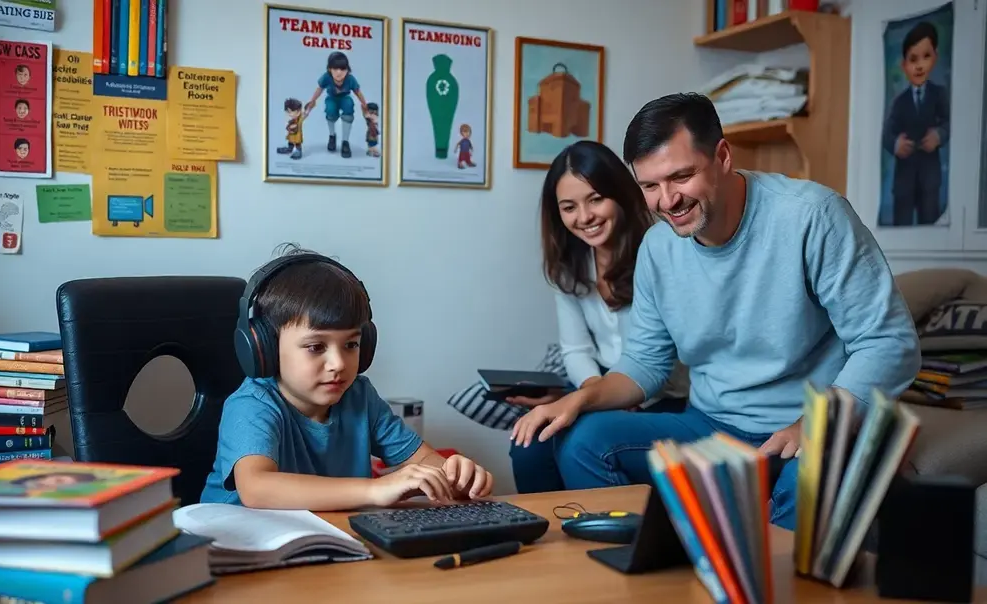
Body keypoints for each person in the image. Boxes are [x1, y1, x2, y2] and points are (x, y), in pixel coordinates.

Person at [511, 93, 920, 530]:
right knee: (583, 441)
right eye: (650, 186)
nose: (667, 201)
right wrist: (579, 399)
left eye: (681, 176)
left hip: (809, 429)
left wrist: (815, 424)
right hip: (710, 426)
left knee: (802, 497)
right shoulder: (658, 248)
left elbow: (889, 342)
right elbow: (645, 365)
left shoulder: (812, 217)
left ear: (722, 156)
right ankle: (637, 577)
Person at [448, 140, 689, 494]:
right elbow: (575, 350)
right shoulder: (570, 266)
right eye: (569, 207)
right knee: (529, 443)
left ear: (621, 194)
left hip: (662, 394)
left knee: (577, 439)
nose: (585, 217)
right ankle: (551, 537)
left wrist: (604, 399)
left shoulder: (658, 252)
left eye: (595, 199)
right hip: (601, 383)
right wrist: (591, 390)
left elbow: (660, 361)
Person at [202, 245, 494, 511]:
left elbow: (422, 460)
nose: (339, 363)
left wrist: (454, 475)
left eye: (351, 344)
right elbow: (258, 489)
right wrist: (376, 489)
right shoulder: (252, 404)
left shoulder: (359, 397)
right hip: (240, 549)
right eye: (316, 347)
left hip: (331, 541)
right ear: (263, 348)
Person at [882, 20, 949, 226]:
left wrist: (939, 135)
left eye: (926, 56)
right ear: (904, 65)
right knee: (901, 224)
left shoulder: (939, 95)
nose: (919, 65)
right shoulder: (900, 101)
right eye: (913, 59)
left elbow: (950, 122)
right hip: (904, 180)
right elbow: (887, 133)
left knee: (929, 222)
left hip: (929, 178)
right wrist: (896, 144)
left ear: (935, 57)